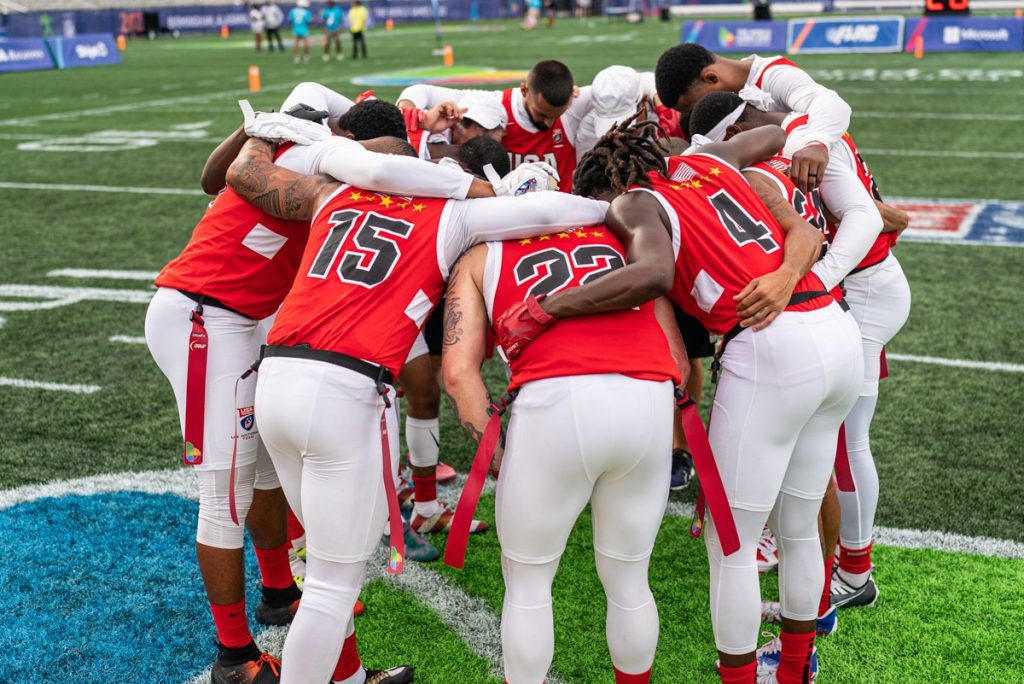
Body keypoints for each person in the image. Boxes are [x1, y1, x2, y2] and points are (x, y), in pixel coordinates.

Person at [223, 131, 607, 684]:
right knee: (333, 583)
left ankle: (349, 675)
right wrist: (611, 206)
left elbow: (247, 177)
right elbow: (547, 210)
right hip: (344, 387)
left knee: (323, 561)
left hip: (278, 375)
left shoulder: (333, 194)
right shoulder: (449, 215)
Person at [500, 118, 863, 684]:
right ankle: (794, 670)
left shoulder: (634, 203)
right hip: (835, 326)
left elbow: (653, 271)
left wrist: (549, 307)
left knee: (733, 543)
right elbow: (771, 131)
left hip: (769, 340)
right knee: (796, 525)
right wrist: (784, 176)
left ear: (608, 186)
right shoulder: (710, 159)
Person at [144, 85, 440, 684]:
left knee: (268, 473)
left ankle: (280, 593)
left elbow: (276, 127)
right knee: (224, 498)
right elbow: (232, 165)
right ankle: (234, 658)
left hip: (242, 319)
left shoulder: (303, 142)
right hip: (205, 319)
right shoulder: (314, 156)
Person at [688, 90, 912, 614]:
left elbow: (873, 218)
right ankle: (802, 549)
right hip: (847, 291)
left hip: (856, 289)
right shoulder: (807, 134)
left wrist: (811, 279)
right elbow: (885, 213)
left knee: (840, 444)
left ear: (738, 130)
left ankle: (852, 573)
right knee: (815, 440)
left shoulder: (802, 146)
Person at [442, 226, 686, 683]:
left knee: (529, 585)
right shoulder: (621, 236)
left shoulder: (482, 252)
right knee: (630, 581)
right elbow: (679, 359)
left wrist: (498, 453)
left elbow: (458, 374)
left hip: (554, 400)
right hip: (647, 396)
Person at [655, 44, 853, 194]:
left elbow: (831, 103)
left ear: (711, 78)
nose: (698, 113)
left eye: (695, 106)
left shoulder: (774, 76)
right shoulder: (735, 91)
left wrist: (817, 145)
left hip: (832, 182)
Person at [397, 59, 592, 192]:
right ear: (524, 90)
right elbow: (420, 91)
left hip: (562, 215)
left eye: (556, 115)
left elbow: (615, 83)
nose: (549, 122)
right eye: (541, 114)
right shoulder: (490, 103)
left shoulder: (572, 105)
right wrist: (415, 117)